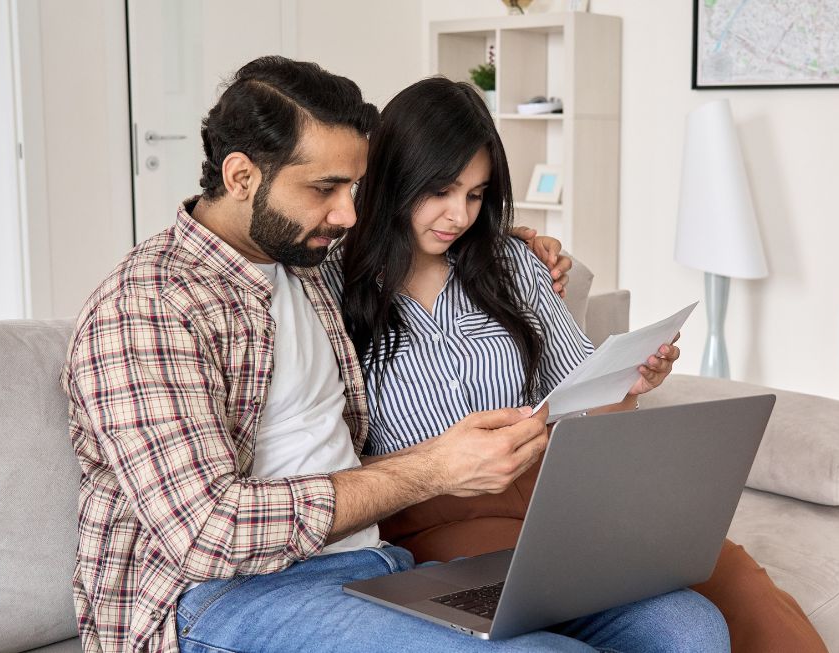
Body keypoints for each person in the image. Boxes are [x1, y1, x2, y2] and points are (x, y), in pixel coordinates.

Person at [61, 56, 730, 652]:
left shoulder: (305, 268)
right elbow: (207, 532)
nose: (350, 214)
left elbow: (411, 240)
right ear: (241, 176)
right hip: (226, 599)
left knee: (684, 625)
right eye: (324, 189)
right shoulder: (147, 306)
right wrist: (433, 469)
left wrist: (515, 242)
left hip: (373, 563)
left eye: (354, 188)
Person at [325, 76, 826, 653]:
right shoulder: (335, 286)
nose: (458, 214)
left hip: (555, 483)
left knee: (730, 570)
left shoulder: (511, 263)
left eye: (476, 193)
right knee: (656, 620)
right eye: (440, 190)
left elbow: (582, 390)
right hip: (436, 514)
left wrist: (630, 379)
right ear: (395, 177)